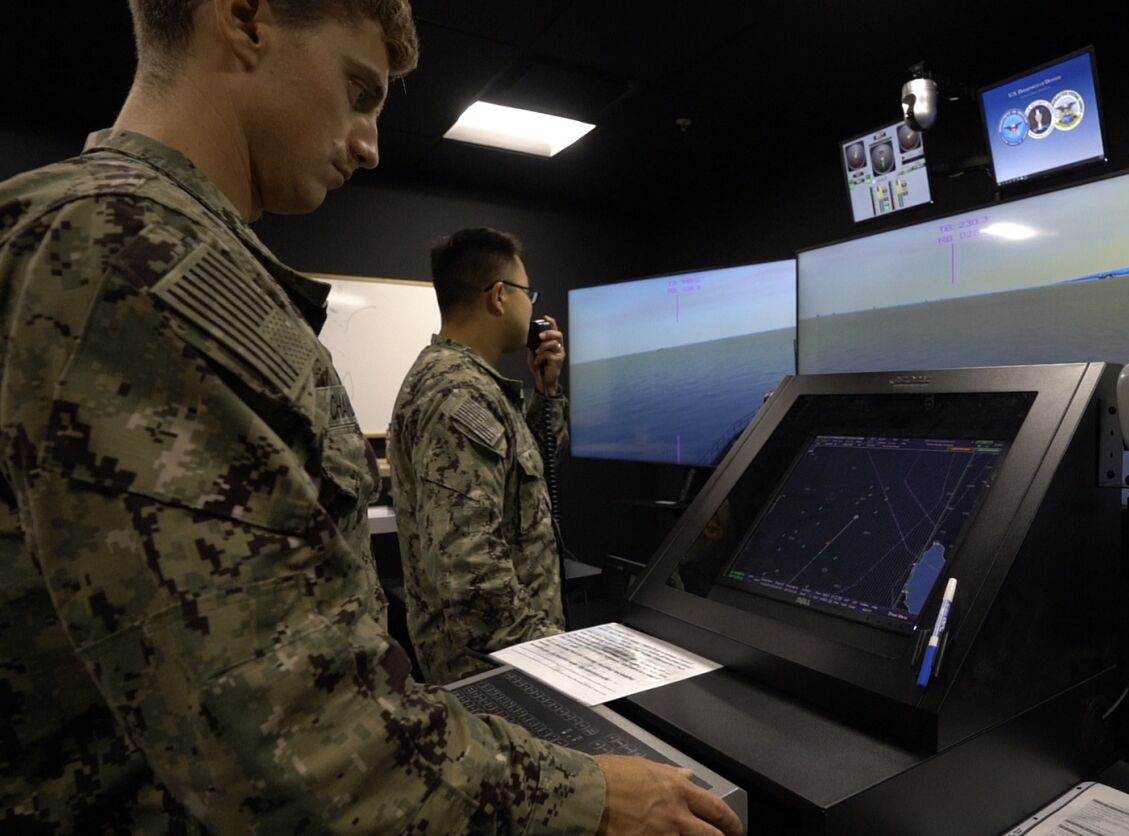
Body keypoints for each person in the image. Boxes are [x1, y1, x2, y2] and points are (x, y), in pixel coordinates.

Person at [0, 2, 742, 834]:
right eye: (358, 91)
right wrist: (592, 797)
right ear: (244, 18)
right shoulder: (131, 259)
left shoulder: (121, 242)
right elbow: (288, 738)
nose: (370, 145)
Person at [388, 228, 569, 684]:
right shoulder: (458, 392)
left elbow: (529, 475)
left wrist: (547, 392)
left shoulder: (468, 382)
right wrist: (558, 657)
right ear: (500, 296)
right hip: (497, 665)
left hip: (506, 656)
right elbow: (470, 568)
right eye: (528, 293)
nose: (533, 308)